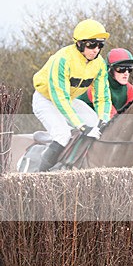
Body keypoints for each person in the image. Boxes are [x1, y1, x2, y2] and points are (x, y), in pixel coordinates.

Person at [31, 19, 112, 171]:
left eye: (100, 45)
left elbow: (102, 96)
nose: (96, 49)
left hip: (70, 100)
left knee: (97, 126)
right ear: (80, 44)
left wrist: (104, 118)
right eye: (92, 44)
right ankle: (39, 176)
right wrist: (81, 126)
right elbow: (60, 98)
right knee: (63, 135)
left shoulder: (99, 63)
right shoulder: (62, 59)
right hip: (46, 100)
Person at [78, 48, 133, 116]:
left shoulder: (130, 89)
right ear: (109, 69)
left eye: (130, 69)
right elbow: (111, 117)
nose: (126, 73)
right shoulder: (97, 86)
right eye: (121, 69)